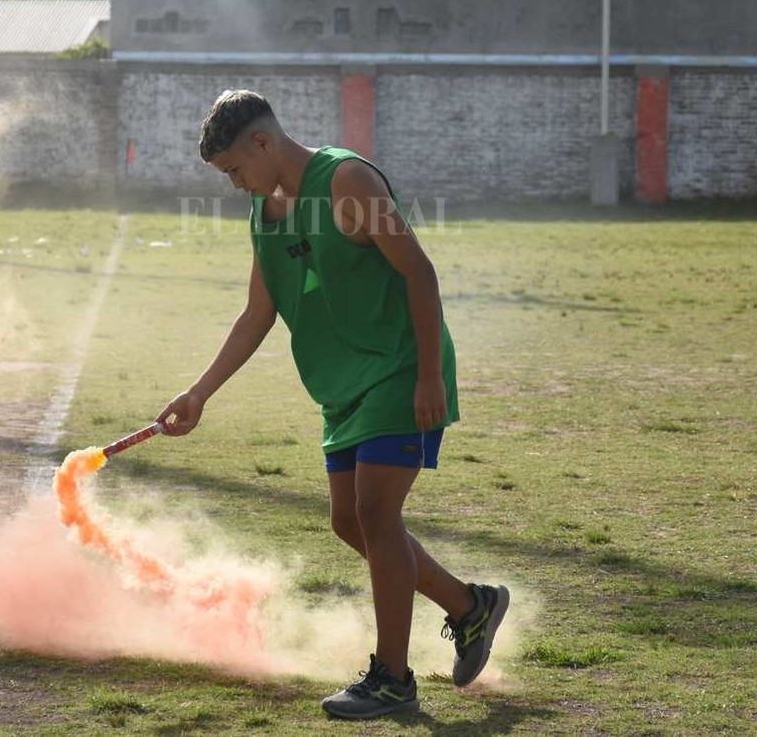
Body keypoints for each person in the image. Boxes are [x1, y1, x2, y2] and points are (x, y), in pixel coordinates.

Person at [155, 89, 509, 721]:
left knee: (375, 514)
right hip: (341, 386)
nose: (236, 184)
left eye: (235, 169)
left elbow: (419, 274)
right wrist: (199, 393)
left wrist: (430, 377)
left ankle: (392, 680)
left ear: (262, 143)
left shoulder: (345, 179)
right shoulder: (267, 212)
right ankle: (468, 605)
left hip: (399, 372)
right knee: (350, 523)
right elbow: (257, 314)